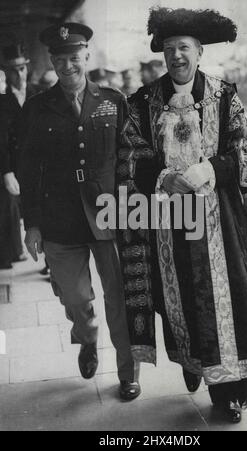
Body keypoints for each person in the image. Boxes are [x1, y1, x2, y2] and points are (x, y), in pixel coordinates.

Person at [116, 7, 247, 423]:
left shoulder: (225, 95)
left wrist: (211, 168)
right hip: (169, 225)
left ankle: (230, 390)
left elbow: (243, 151)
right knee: (181, 302)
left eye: (185, 48)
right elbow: (129, 157)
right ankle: (198, 366)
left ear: (199, 53)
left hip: (221, 222)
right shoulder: (143, 102)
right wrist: (162, 176)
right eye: (171, 49)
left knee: (232, 298)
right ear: (162, 54)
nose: (177, 56)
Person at [19, 23, 140, 400]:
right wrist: (33, 223)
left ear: (87, 56)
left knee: (120, 299)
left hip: (110, 214)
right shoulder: (37, 108)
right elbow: (28, 168)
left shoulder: (113, 99)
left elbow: (130, 157)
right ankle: (86, 337)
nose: (67, 65)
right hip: (59, 219)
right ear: (53, 61)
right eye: (60, 58)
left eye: (74, 57)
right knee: (75, 298)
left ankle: (127, 373)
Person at [0, 43, 35, 267]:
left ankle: (52, 261)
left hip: (39, 162)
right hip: (14, 164)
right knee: (8, 205)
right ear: (6, 72)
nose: (19, 74)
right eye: (13, 70)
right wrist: (6, 171)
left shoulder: (39, 94)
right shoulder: (1, 102)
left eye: (22, 69)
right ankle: (10, 254)